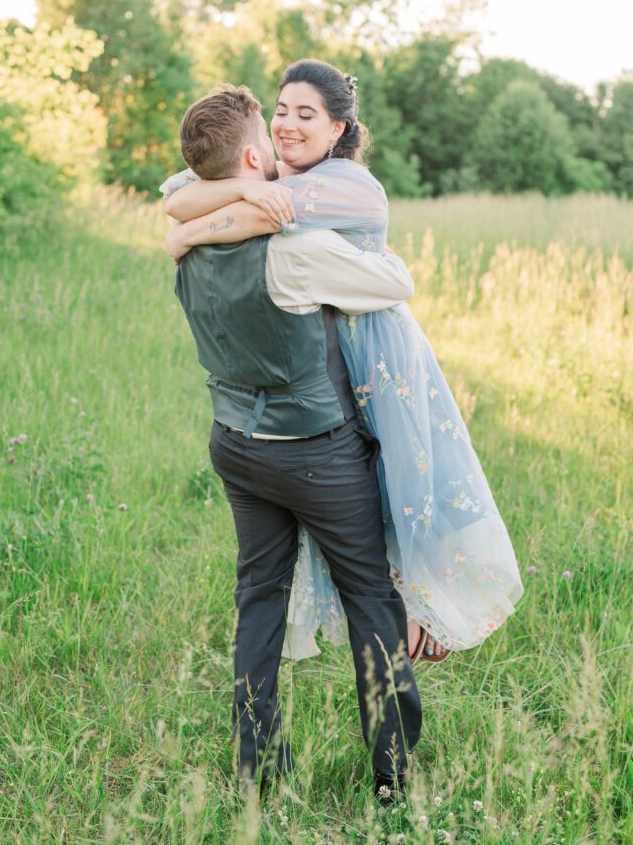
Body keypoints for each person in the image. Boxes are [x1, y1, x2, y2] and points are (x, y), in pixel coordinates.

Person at [163, 59, 524, 667]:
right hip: (322, 362)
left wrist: (192, 232)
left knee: (394, 495)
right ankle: (403, 627)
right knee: (354, 515)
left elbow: (219, 214)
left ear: (338, 129)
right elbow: (176, 193)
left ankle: (422, 619)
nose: (287, 125)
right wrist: (246, 185)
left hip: (376, 357)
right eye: (281, 111)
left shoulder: (348, 183)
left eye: (307, 115)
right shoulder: (273, 175)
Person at [168, 83, 422, 799]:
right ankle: (392, 773)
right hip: (315, 451)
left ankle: (257, 768)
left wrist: (196, 218)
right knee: (371, 596)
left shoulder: (184, 249)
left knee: (258, 597)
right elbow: (393, 283)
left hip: (233, 443)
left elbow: (183, 206)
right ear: (255, 156)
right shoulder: (297, 250)